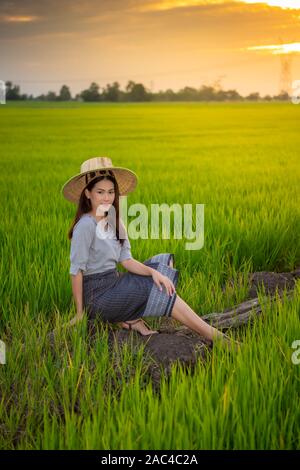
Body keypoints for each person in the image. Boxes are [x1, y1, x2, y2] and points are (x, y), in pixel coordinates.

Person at [61, 156, 241, 349]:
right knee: (159, 289)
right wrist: (80, 313)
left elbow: (127, 260)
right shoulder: (85, 226)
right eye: (100, 192)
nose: (107, 198)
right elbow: (76, 271)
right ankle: (218, 339)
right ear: (87, 194)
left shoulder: (115, 221)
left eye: (111, 192)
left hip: (114, 282)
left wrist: (154, 273)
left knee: (162, 264)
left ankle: (131, 318)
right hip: (98, 296)